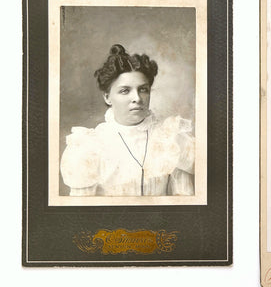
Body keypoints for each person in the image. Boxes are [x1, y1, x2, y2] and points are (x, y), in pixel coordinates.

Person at [60, 44, 195, 196]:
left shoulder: (171, 139)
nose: (137, 98)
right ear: (107, 97)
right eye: (125, 91)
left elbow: (184, 203)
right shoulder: (89, 147)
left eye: (143, 89)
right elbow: (81, 214)